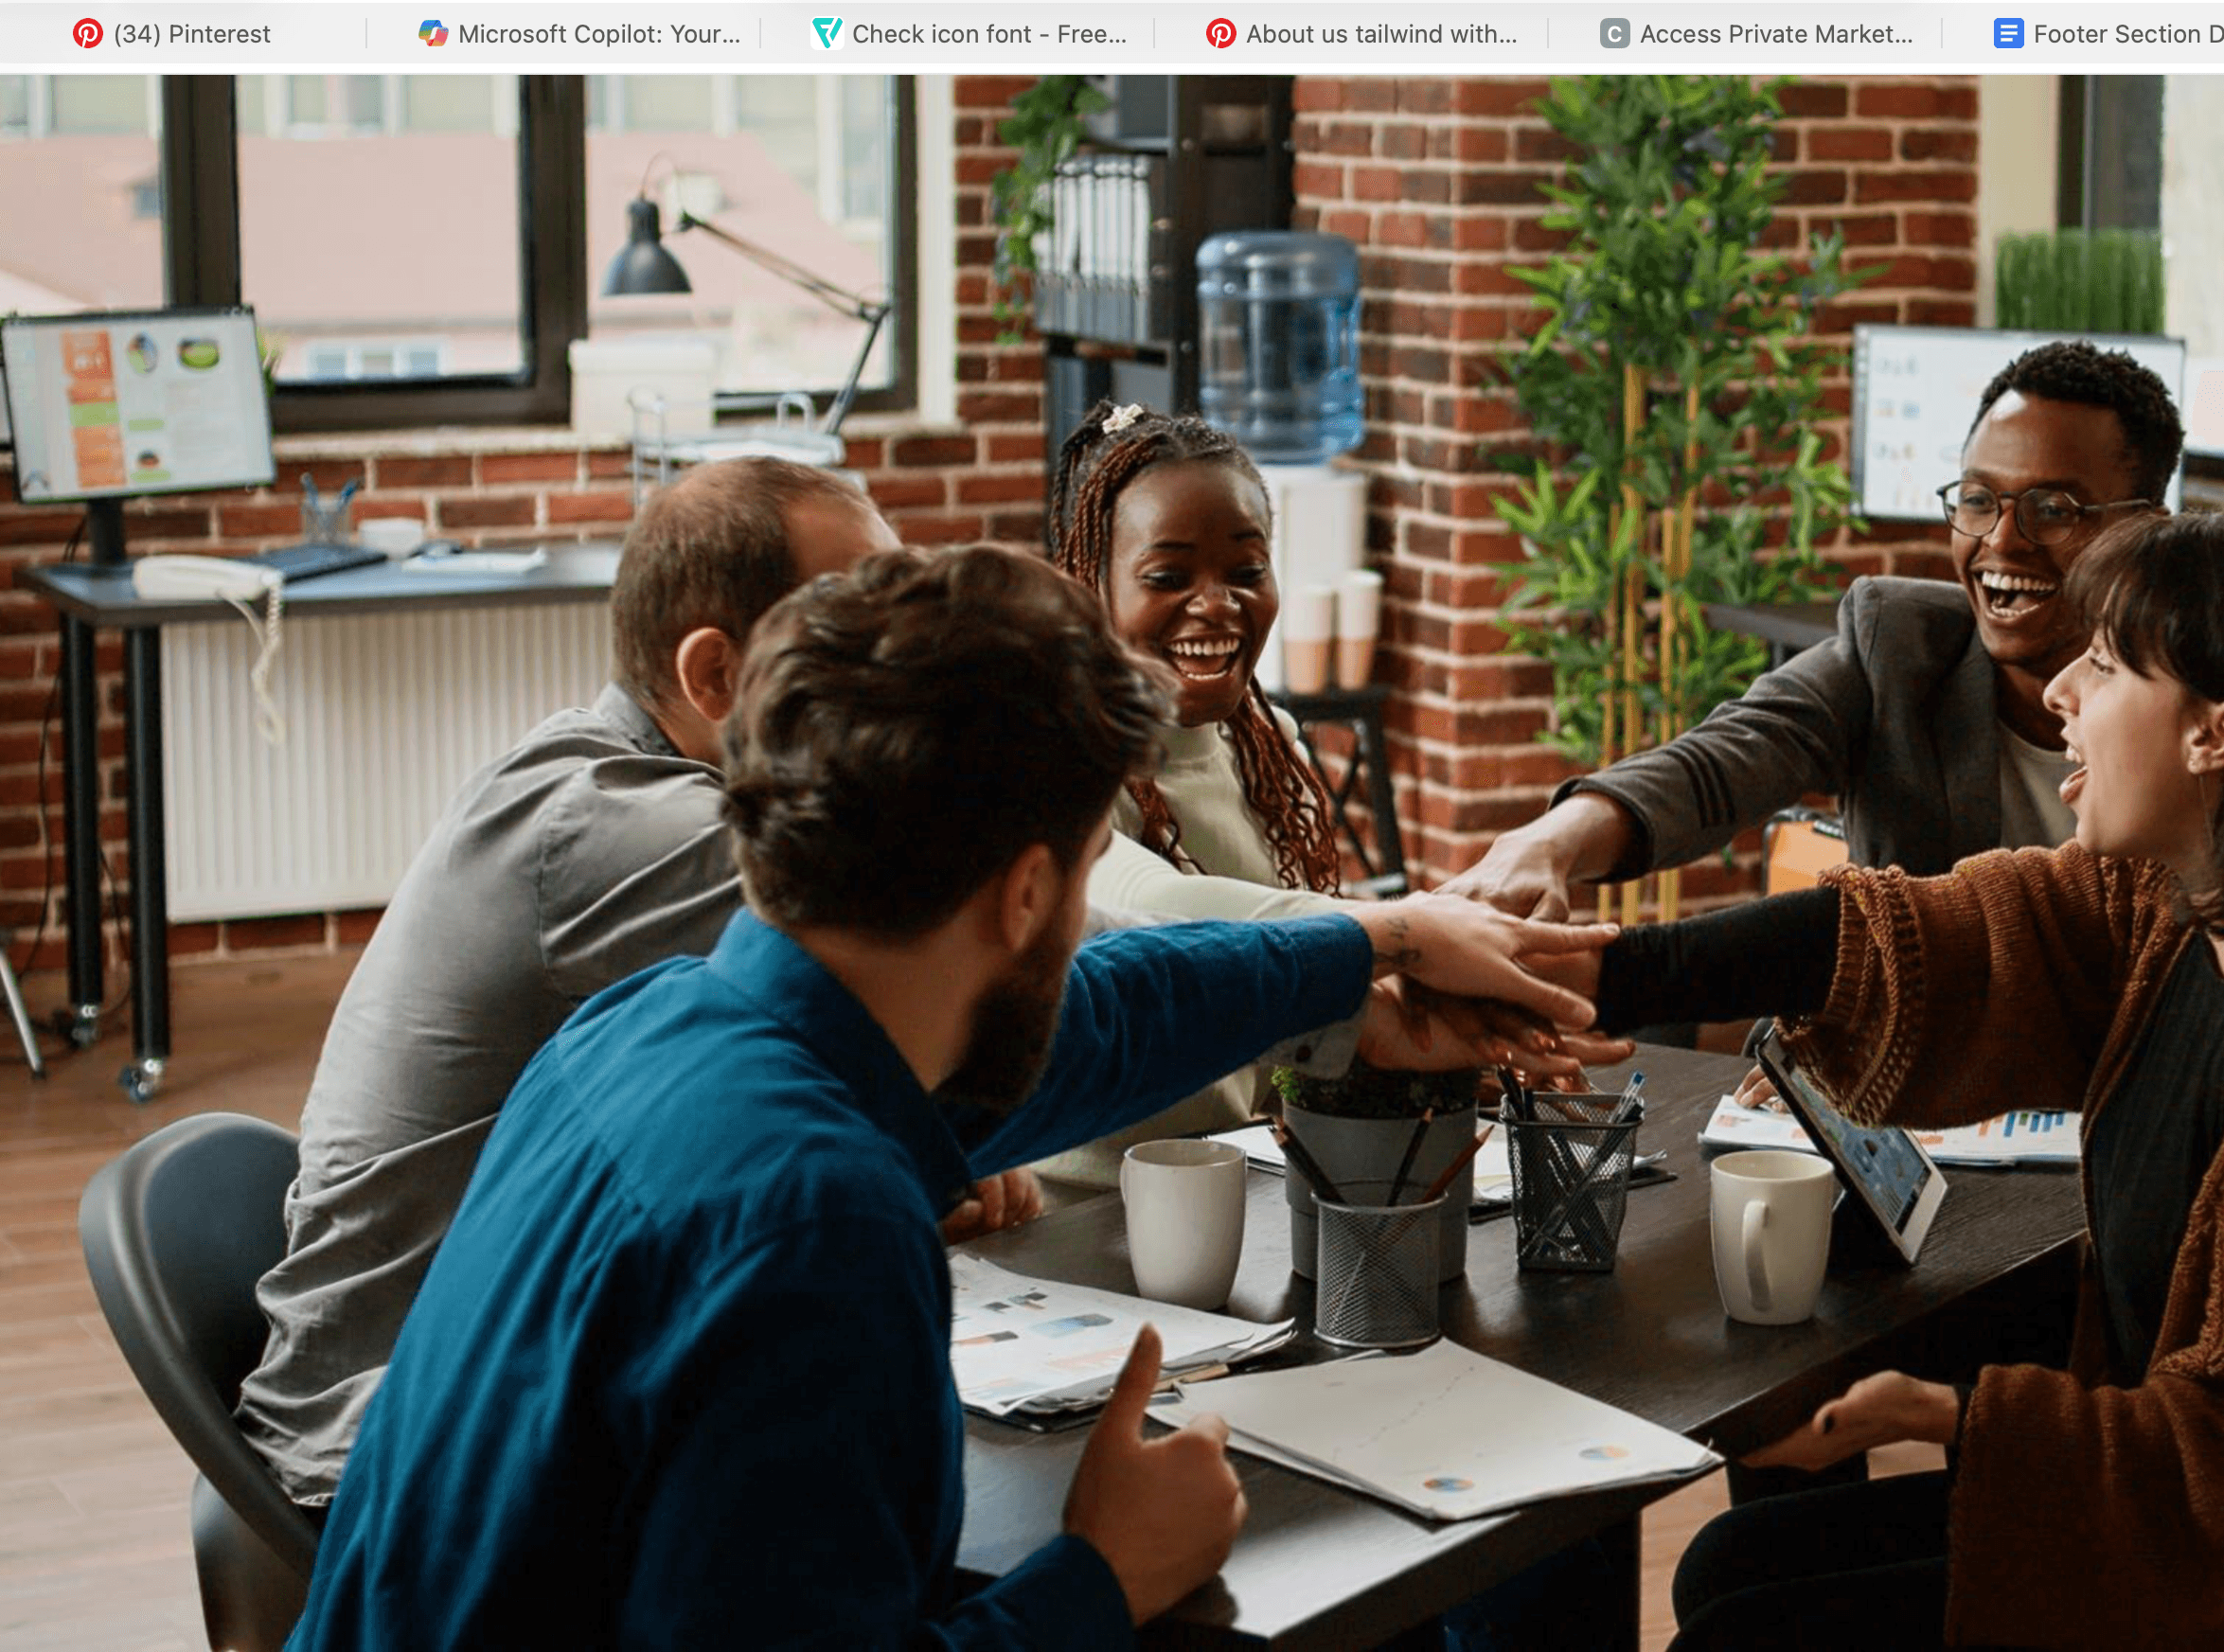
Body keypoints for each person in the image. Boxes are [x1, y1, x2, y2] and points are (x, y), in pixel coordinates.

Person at [285, 543, 1619, 1648]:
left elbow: (1090, 1023)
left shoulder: (657, 1025)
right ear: (1029, 894)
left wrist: (1371, 943)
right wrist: (1105, 1573)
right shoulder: (815, 1222)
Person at [1575, 509, 2224, 1648]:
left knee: (1750, 1627)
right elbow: (1939, 934)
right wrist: (1603, 973)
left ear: (2219, 732)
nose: (2060, 691)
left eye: (2105, 664)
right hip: (2187, 1521)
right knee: (1735, 1560)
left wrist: (1952, 1413)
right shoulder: (2191, 910)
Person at [236, 457, 1041, 1511]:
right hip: (391, 1437)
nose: (908, 671)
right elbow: (999, 943)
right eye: (861, 639)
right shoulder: (620, 827)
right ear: (714, 678)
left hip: (511, 1364)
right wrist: (1328, 955)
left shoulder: (616, 778)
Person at [1447, 341, 2185, 915]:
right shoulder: (1903, 650)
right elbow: (1728, 756)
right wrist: (1547, 843)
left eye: (2052, 509)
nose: (2001, 541)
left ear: (2147, 529)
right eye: (1977, 500)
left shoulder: (2206, 700)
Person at [1035, 400, 1361, 1185]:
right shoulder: (1059, 758)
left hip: (1237, 1180)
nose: (1217, 604)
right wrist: (1393, 941)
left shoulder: (1268, 741)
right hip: (1076, 1211)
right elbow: (1154, 910)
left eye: (1246, 572)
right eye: (1168, 577)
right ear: (1089, 586)